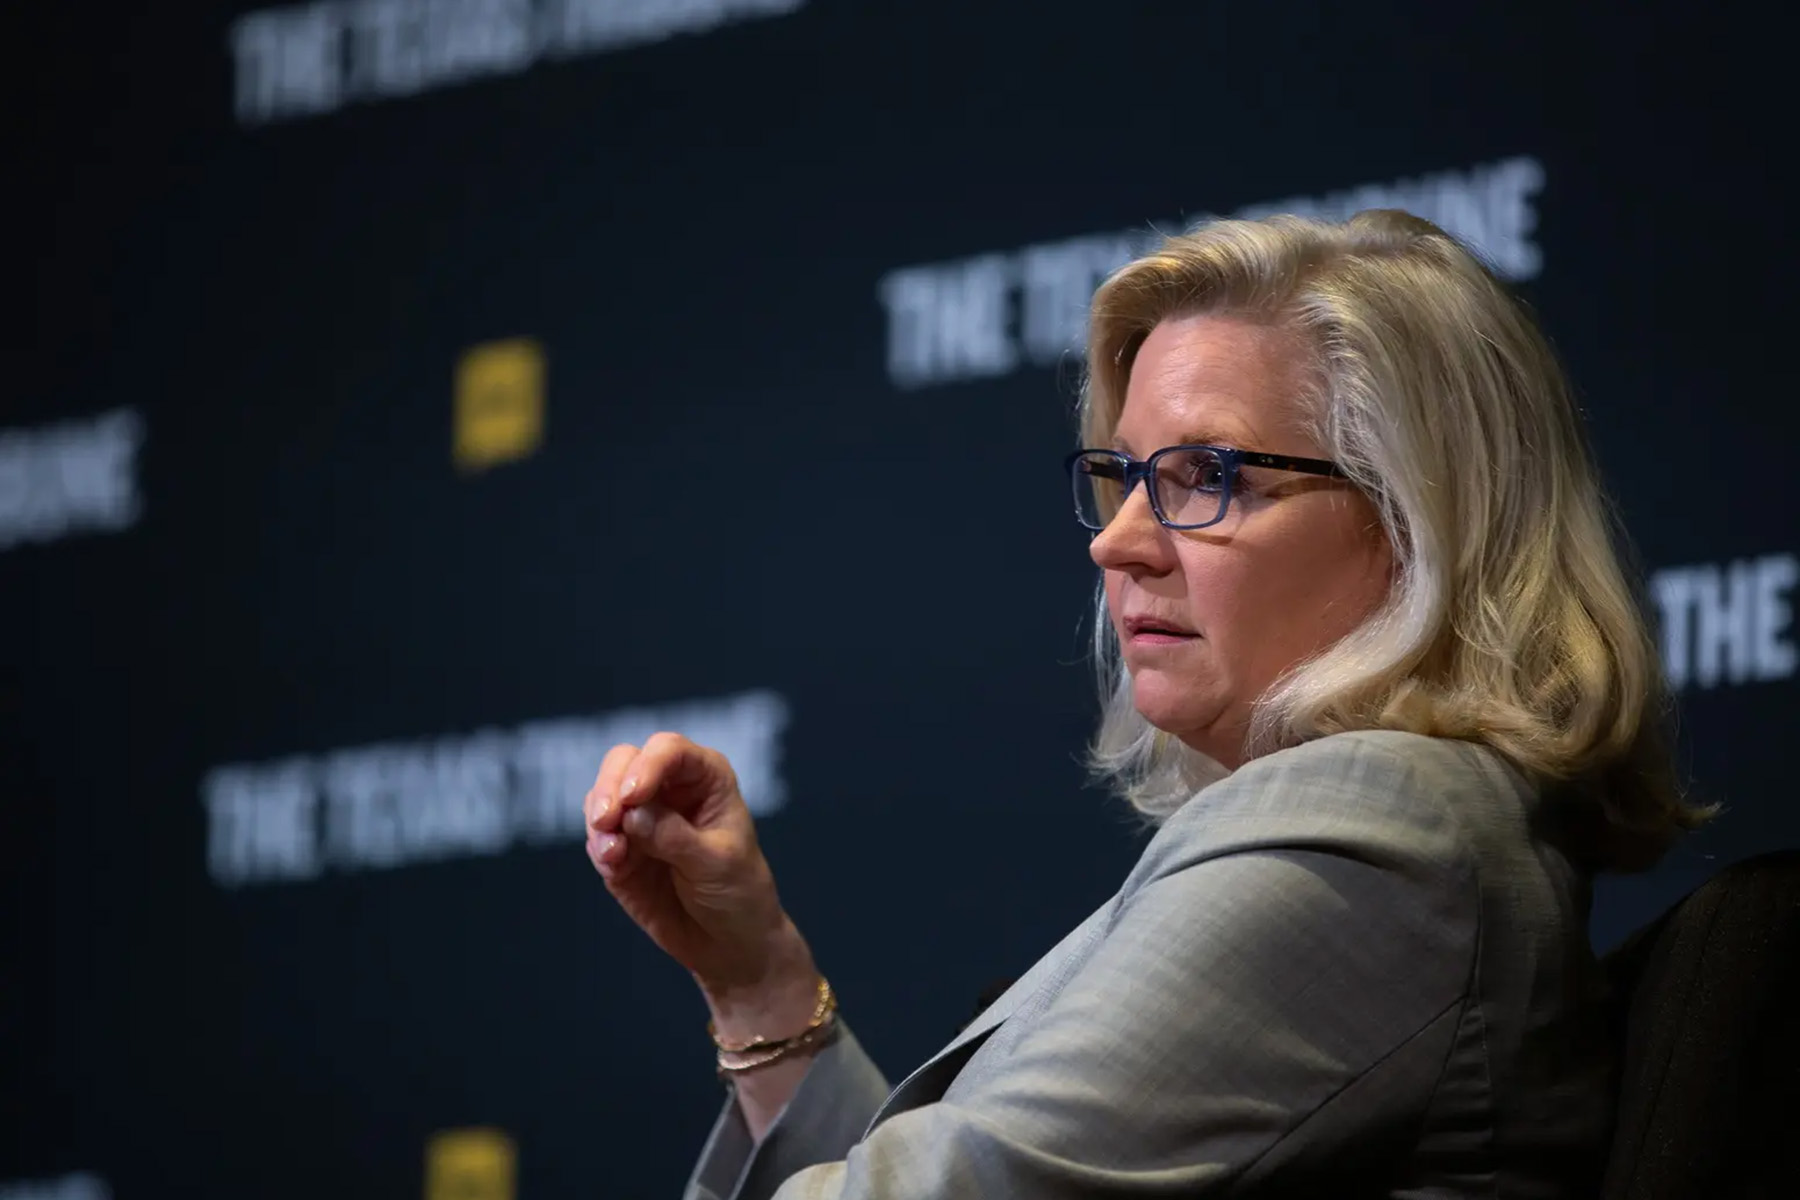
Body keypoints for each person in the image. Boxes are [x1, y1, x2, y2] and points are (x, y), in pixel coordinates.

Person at [583, 210, 1706, 1198]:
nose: (1118, 542)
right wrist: (758, 980)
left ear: (1417, 523)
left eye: (1205, 477)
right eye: (1124, 477)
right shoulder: (1379, 828)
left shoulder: (1377, 829)